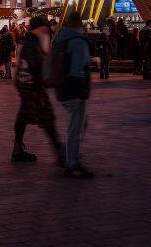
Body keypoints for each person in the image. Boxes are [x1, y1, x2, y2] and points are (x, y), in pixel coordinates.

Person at [12, 16, 64, 165]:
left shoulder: (29, 41)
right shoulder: (33, 42)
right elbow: (36, 66)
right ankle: (60, 152)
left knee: (23, 117)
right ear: (39, 29)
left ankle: (17, 150)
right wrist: (44, 83)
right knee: (47, 118)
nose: (47, 32)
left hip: (25, 85)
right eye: (45, 29)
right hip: (32, 86)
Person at [54, 11, 93, 179]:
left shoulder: (61, 38)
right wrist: (83, 89)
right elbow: (78, 69)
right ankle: (72, 162)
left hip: (62, 86)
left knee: (79, 124)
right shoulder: (78, 41)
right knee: (76, 127)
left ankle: (71, 158)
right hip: (74, 87)